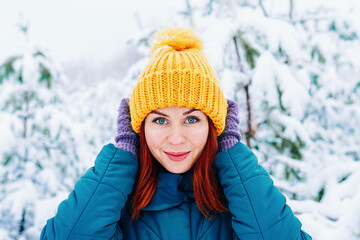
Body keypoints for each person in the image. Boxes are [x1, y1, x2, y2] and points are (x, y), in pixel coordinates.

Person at [41, 27, 312, 240]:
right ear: (139, 128)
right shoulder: (118, 204)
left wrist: (231, 154)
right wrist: (121, 158)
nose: (176, 138)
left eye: (191, 119)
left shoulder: (237, 200)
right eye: (160, 121)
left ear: (214, 126)